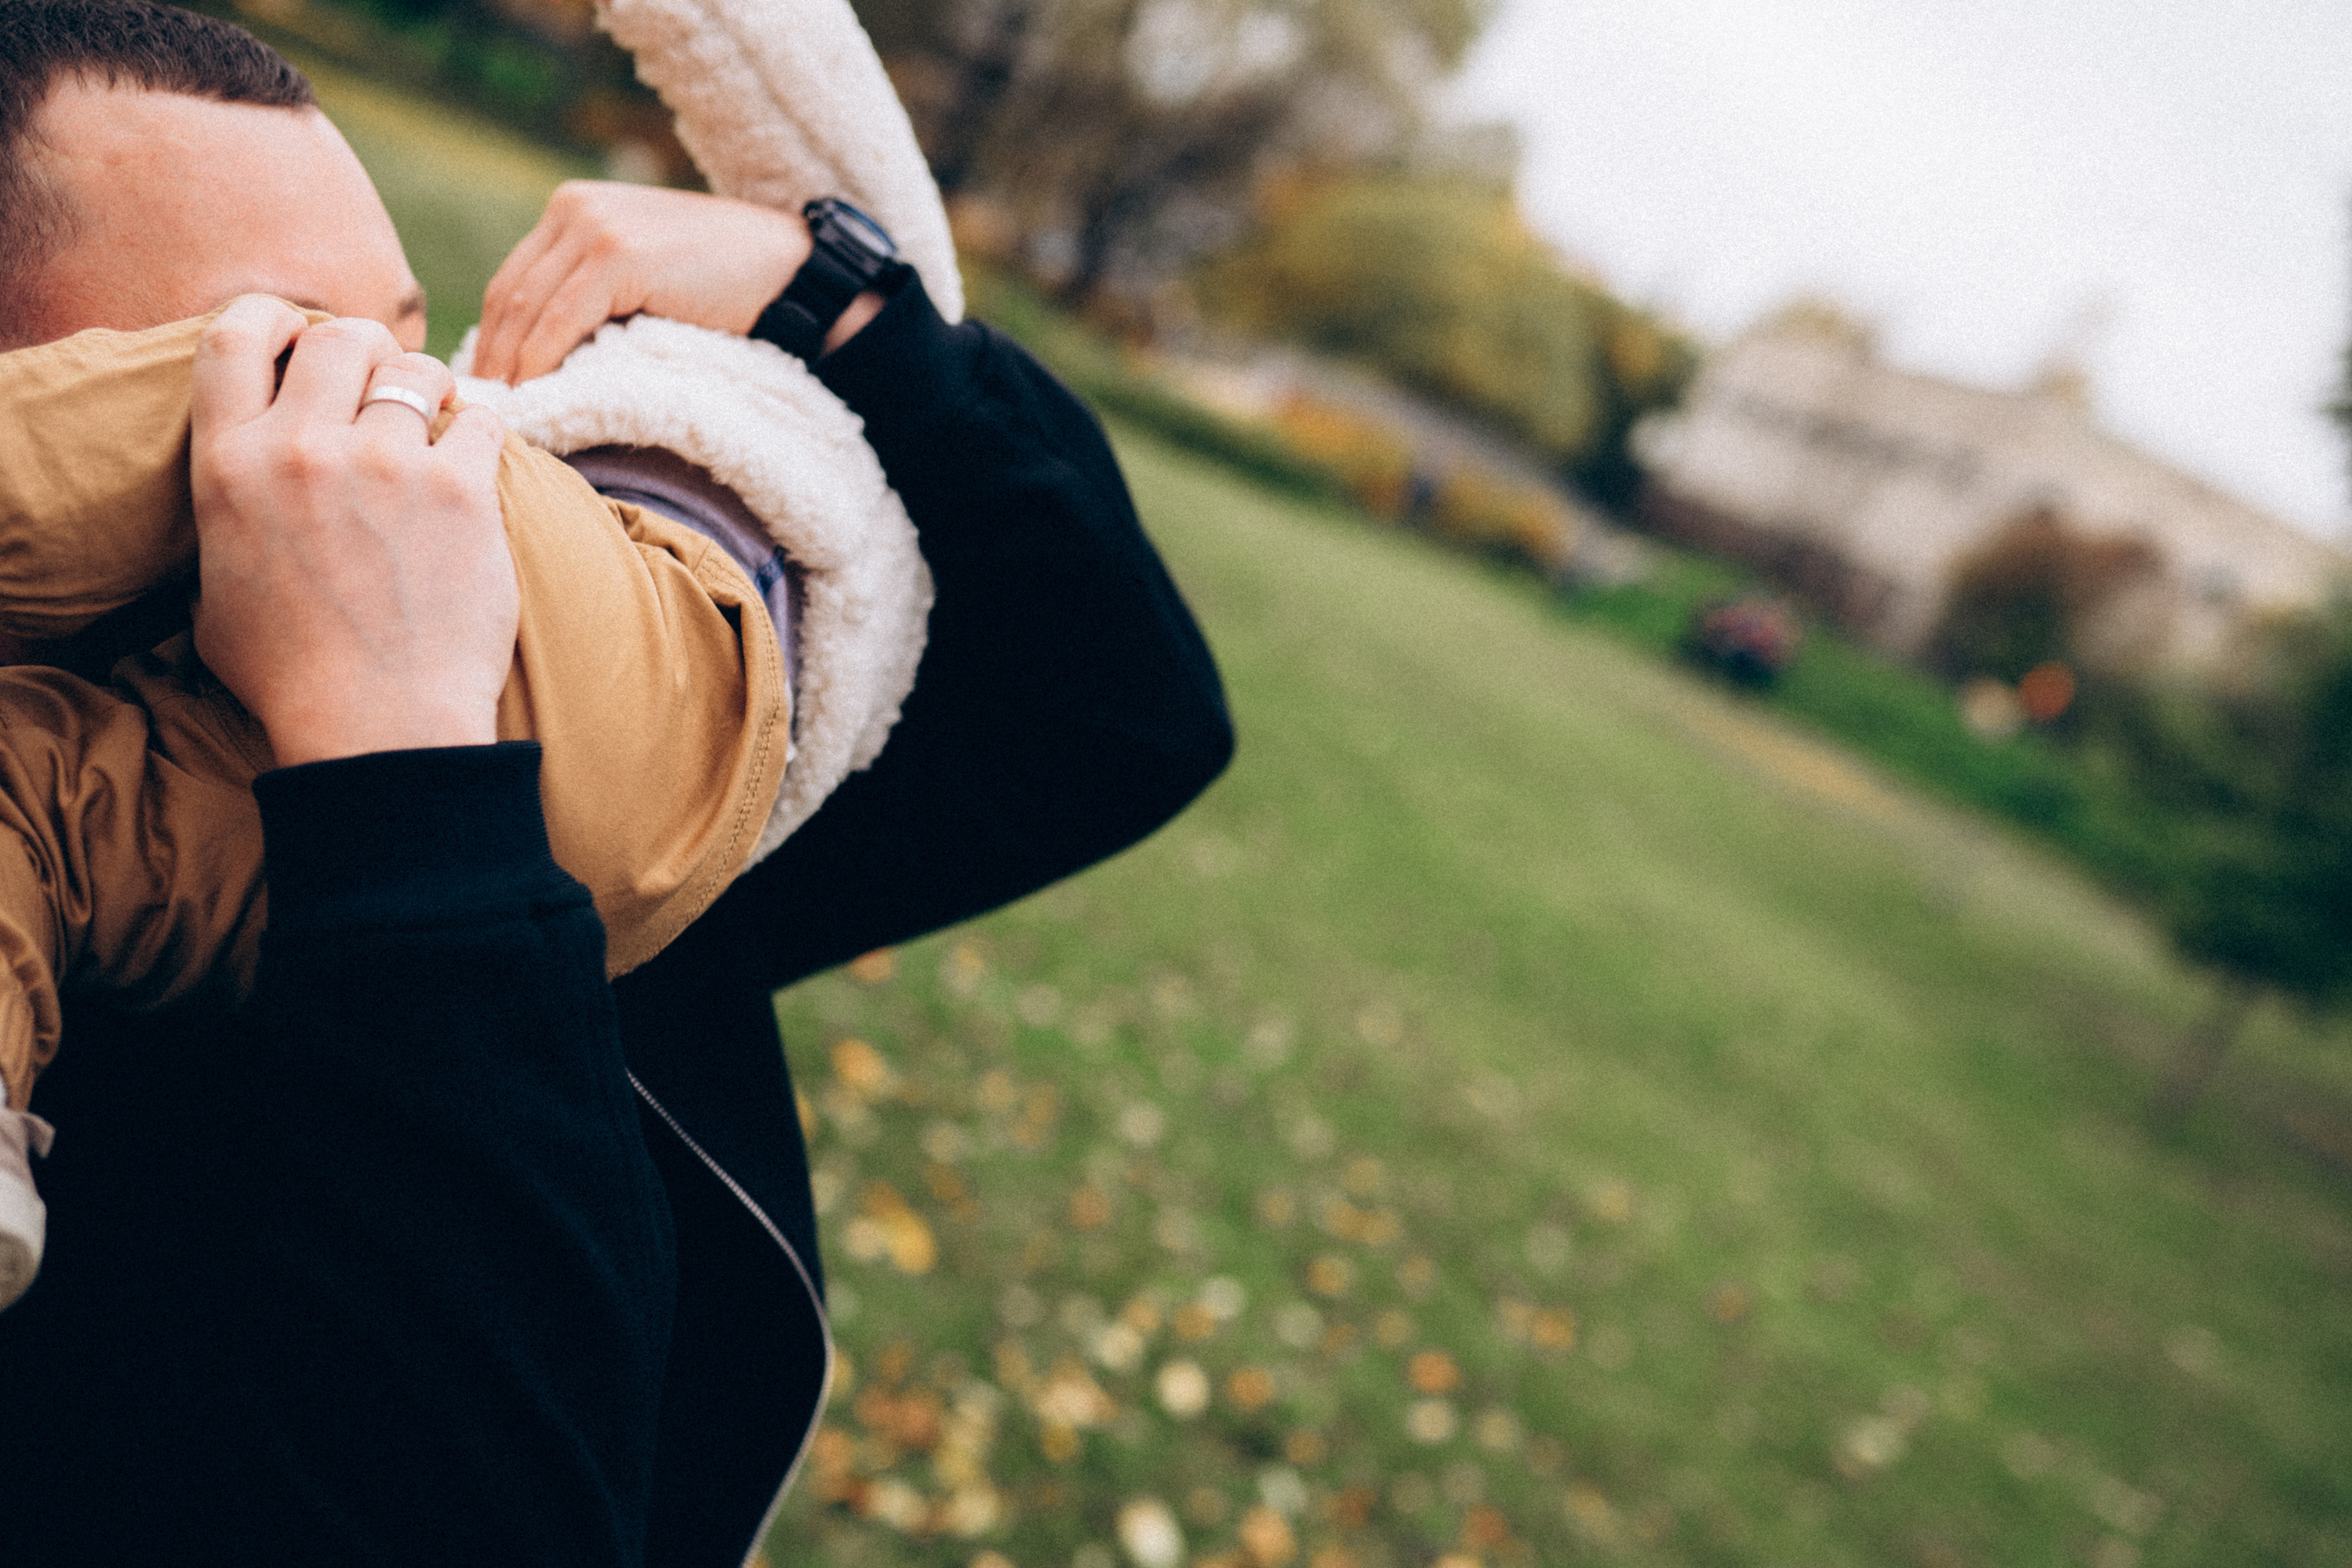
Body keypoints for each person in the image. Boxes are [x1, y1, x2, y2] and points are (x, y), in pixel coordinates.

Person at [0, 4, 1232, 1562]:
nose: (417, 441)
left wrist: (831, 300)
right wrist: (401, 761)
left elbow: (1116, 717)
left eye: (408, 342)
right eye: (286, 362)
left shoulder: (598, 763)